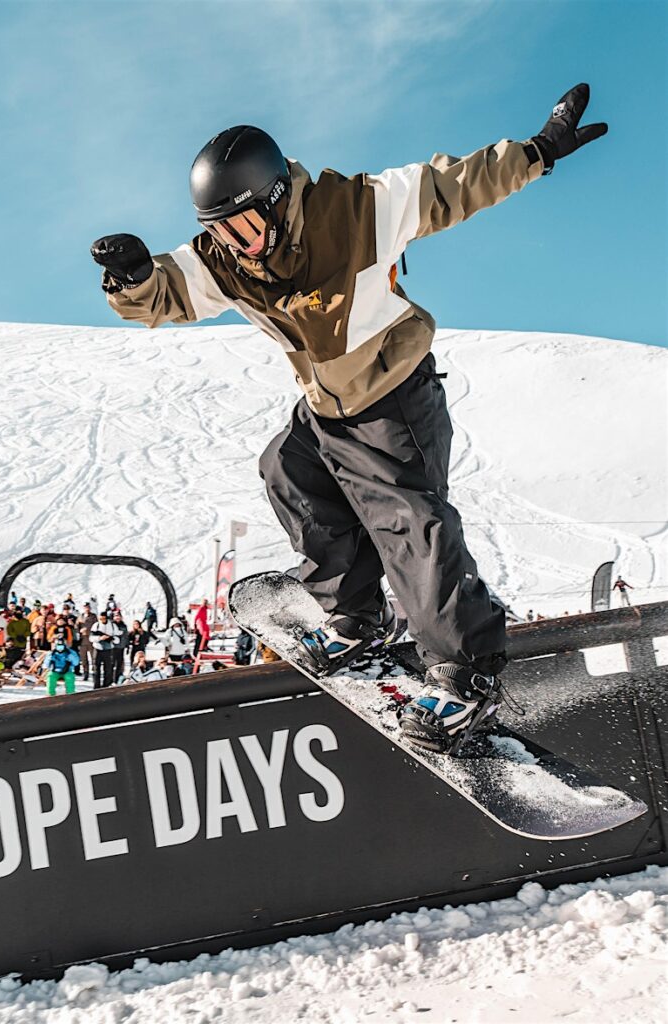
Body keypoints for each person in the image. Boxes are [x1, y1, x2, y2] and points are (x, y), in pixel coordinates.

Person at [91, 85, 607, 754]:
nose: (234, 245)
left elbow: (453, 185)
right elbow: (164, 295)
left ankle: (466, 674)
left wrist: (537, 151)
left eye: (242, 226)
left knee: (408, 524)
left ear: (276, 200)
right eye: (218, 231)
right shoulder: (223, 258)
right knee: (287, 469)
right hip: (327, 407)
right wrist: (130, 280)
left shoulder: (357, 209)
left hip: (393, 398)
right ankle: (352, 613)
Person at [90, 612, 119, 688]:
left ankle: (107, 685)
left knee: (108, 668)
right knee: (96, 668)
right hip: (97, 648)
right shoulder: (96, 625)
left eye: (103, 618)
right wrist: (100, 638)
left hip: (108, 649)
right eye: (100, 618)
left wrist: (111, 639)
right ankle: (96, 685)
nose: (102, 620)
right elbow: (91, 638)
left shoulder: (112, 626)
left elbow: (117, 637)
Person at [77, 603, 97, 678]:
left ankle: (95, 672)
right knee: (83, 658)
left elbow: (96, 627)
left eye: (88, 607)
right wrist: (79, 629)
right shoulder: (80, 616)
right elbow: (77, 626)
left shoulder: (93, 616)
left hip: (91, 639)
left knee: (93, 657)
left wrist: (88, 630)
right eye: (85, 607)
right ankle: (86, 673)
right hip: (82, 640)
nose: (87, 609)